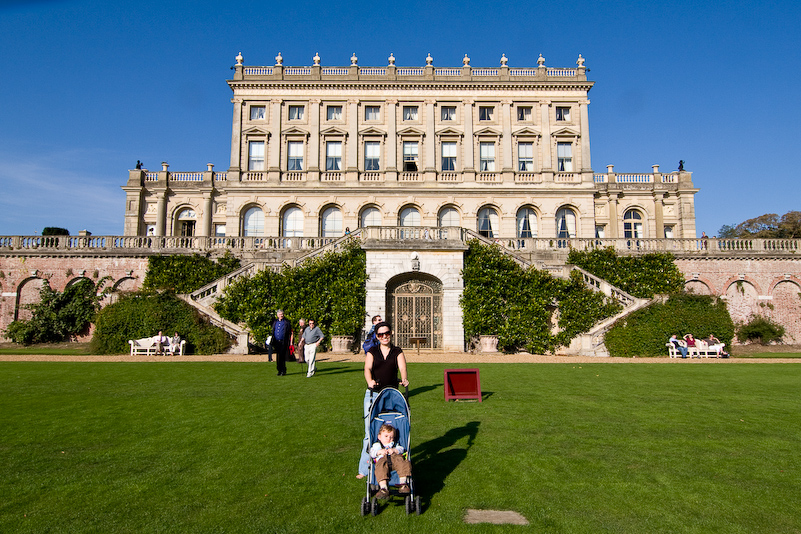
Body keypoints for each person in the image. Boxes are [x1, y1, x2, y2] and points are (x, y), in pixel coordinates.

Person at [357, 321, 409, 479]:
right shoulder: (372, 351)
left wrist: (405, 379)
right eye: (381, 334)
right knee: (369, 431)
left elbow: (402, 367)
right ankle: (364, 470)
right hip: (374, 394)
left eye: (387, 333)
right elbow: (367, 368)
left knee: (394, 427)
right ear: (377, 336)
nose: (384, 336)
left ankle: (395, 461)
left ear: (391, 334)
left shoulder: (397, 351)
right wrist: (369, 381)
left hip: (392, 394)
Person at [370, 423, 412, 498]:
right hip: (382, 461)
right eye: (386, 436)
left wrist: (394, 450)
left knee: (403, 462)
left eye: (391, 437)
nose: (388, 439)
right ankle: (383, 488)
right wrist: (379, 452)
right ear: (379, 437)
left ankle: (403, 484)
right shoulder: (377, 445)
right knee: (380, 468)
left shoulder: (395, 444)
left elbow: (401, 449)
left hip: (395, 460)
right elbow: (371, 453)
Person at [272, 309, 292, 376]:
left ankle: (283, 370)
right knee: (278, 356)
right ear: (277, 315)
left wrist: (289, 342)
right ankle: (279, 370)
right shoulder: (275, 322)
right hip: (276, 342)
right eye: (280, 314)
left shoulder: (286, 322)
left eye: (282, 314)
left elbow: (289, 332)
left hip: (283, 342)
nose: (281, 315)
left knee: (282, 357)